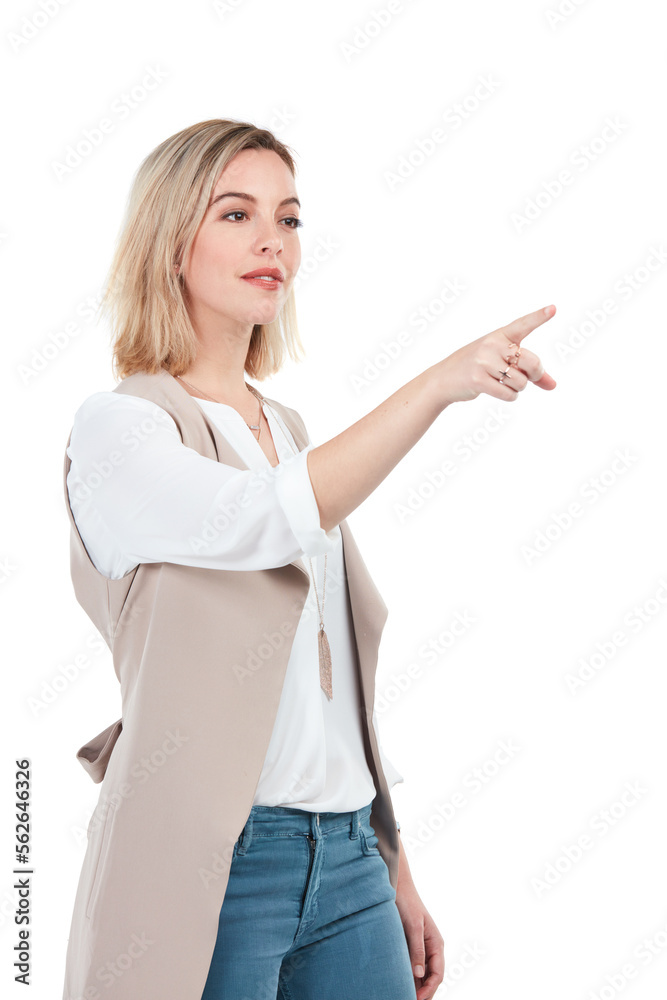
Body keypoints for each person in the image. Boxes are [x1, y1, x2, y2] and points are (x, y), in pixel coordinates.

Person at [62, 118, 556, 1000]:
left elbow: (330, 688)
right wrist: (439, 384)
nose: (272, 242)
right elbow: (261, 519)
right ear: (170, 240)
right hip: (217, 868)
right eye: (237, 214)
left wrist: (392, 865)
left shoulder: (287, 433)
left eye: (289, 219)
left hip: (349, 864)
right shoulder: (123, 430)